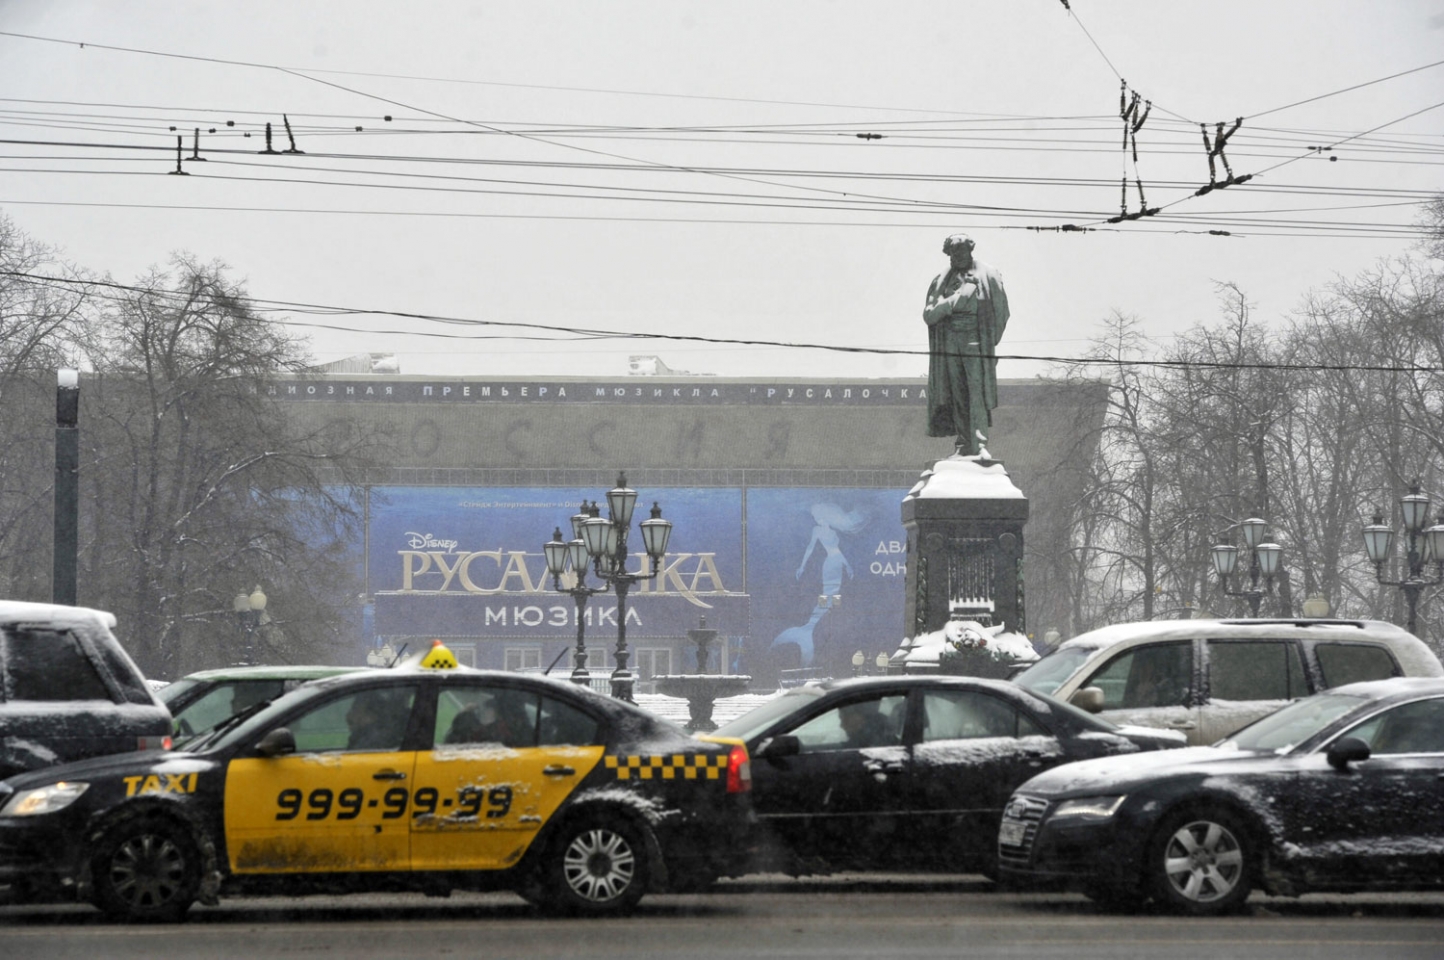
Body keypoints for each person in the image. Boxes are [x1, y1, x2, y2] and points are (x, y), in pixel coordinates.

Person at [922, 233, 1011, 457]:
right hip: (950, 342)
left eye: (961, 251)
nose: (957, 257)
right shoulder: (941, 280)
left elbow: (1001, 312)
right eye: (953, 253)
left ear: (970, 250)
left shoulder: (988, 275)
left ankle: (979, 443)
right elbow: (929, 315)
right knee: (958, 394)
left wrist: (989, 341)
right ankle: (963, 444)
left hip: (975, 341)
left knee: (976, 393)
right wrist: (954, 301)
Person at [346, 690, 410, 751]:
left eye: (354, 708)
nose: (348, 715)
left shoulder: (371, 743)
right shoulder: (381, 736)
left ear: (370, 715)